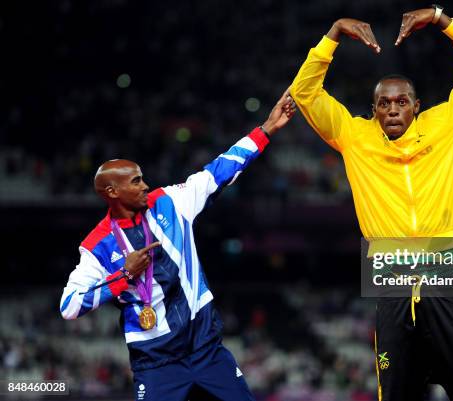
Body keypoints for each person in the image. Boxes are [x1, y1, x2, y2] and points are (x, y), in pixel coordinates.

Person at [290, 5, 453, 401]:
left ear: (416, 105)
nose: (392, 109)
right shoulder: (354, 136)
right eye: (384, 104)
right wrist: (332, 35)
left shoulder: (450, 121)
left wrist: (442, 20)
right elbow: (304, 93)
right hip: (391, 282)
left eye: (401, 101)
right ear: (374, 110)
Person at [60, 90, 296, 401]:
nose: (145, 184)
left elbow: (219, 171)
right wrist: (123, 277)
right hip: (156, 363)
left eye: (142, 178)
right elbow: (69, 306)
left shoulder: (170, 201)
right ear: (112, 192)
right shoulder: (97, 246)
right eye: (135, 181)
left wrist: (265, 130)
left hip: (206, 349)